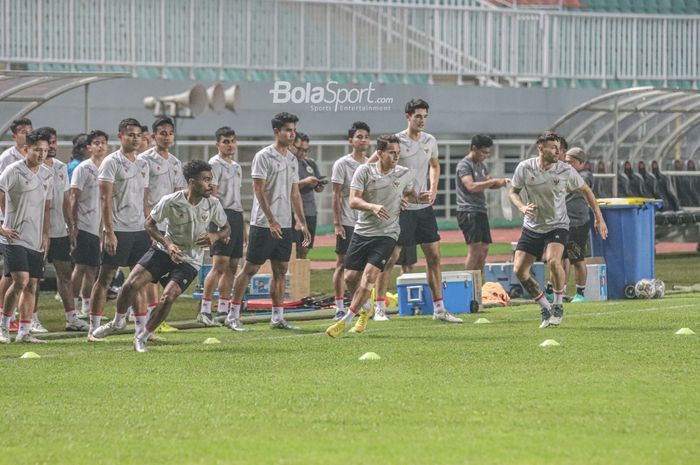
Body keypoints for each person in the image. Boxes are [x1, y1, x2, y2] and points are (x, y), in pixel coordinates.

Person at [102, 160, 229, 352]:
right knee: (129, 284)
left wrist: (215, 236)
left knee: (168, 297)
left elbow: (227, 229)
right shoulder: (171, 200)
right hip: (164, 252)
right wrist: (167, 244)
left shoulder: (213, 204)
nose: (211, 184)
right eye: (206, 180)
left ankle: (142, 337)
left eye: (211, 179)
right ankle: (118, 321)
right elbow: (149, 224)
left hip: (190, 260)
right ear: (192, 182)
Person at [326, 135, 429, 338]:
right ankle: (365, 306)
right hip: (363, 231)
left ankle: (346, 320)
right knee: (350, 277)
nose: (396, 156)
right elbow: (354, 200)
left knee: (370, 275)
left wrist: (415, 197)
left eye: (398, 153)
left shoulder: (403, 173)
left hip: (388, 233)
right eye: (391, 152)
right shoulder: (364, 171)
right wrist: (372, 206)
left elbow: (408, 192)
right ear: (380, 153)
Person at [371, 98, 462, 323]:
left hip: (423, 208)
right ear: (408, 117)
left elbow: (434, 165)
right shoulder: (396, 141)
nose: (422, 120)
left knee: (434, 255)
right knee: (391, 257)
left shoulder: (430, 140)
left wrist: (433, 188)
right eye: (418, 116)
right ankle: (379, 308)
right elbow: (372, 166)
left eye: (425, 116)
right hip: (400, 209)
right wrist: (390, 193)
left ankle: (439, 308)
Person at [509, 131, 608, 329]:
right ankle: (544, 306)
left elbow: (586, 191)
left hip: (558, 224)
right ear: (540, 148)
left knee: (554, 261)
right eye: (553, 147)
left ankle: (558, 305)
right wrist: (521, 207)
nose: (557, 151)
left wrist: (599, 217)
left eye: (559, 148)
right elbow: (513, 191)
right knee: (519, 271)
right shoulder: (525, 168)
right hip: (532, 226)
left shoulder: (565, 170)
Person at [224, 112, 310, 332]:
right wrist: (271, 220)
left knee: (281, 270)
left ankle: (277, 317)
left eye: (293, 130)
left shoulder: (292, 158)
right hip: (263, 224)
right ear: (276, 131)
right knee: (250, 269)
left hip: (285, 224)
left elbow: (294, 193)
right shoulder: (263, 156)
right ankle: (232, 314)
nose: (292, 134)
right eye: (287, 130)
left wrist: (301, 222)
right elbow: (258, 190)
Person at [89, 118, 150, 341]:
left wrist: (148, 226)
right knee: (105, 278)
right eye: (130, 134)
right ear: (120, 136)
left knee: (138, 280)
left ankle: (141, 330)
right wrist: (109, 231)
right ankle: (93, 328)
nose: (135, 138)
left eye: (138, 135)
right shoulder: (111, 162)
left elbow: (144, 198)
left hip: (139, 230)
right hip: (118, 229)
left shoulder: (143, 163)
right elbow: (104, 199)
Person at [0, 130, 53, 344]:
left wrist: (46, 235)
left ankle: (24, 332)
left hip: (36, 239)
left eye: (45, 150)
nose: (41, 154)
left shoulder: (47, 173)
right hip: (14, 237)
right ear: (25, 149)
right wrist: (2, 227)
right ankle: (4, 327)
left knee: (31, 285)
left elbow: (47, 208)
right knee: (20, 280)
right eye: (37, 150)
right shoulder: (12, 171)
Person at [137, 117, 186, 330]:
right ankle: (149, 315)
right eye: (162, 133)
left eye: (170, 133)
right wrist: (150, 224)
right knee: (148, 271)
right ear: (153, 136)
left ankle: (154, 316)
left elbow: (177, 195)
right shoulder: (144, 159)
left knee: (162, 270)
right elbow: (142, 193)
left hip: (168, 225)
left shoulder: (175, 162)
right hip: (149, 223)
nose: (167, 137)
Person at [39, 127, 88, 332]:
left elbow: (67, 199)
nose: (51, 146)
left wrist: (72, 226)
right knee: (33, 279)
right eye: (47, 143)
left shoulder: (61, 167)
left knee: (65, 274)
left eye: (54, 142)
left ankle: (72, 318)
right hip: (36, 232)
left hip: (60, 230)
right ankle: (30, 320)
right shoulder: (31, 167)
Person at [198, 127, 246, 327]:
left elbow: (238, 198)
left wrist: (243, 227)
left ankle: (224, 309)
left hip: (236, 215)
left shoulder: (236, 166)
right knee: (219, 265)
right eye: (226, 141)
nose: (230, 145)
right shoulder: (213, 164)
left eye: (233, 141)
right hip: (221, 215)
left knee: (233, 266)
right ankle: (205, 309)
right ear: (217, 144)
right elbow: (213, 196)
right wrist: (220, 224)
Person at [330, 121, 370, 320]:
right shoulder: (342, 164)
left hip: (366, 223)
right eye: (359, 137)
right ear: (351, 141)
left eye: (366, 137)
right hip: (347, 220)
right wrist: (337, 223)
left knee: (362, 267)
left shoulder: (371, 164)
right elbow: (336, 194)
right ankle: (339, 306)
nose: (363, 140)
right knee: (342, 264)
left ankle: (361, 304)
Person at [455, 134, 510, 274]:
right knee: (474, 249)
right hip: (468, 211)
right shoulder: (464, 165)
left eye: (488, 153)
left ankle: (477, 282)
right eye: (484, 152)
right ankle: (467, 282)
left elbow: (489, 182)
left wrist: (503, 182)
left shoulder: (481, 166)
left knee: (484, 248)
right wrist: (491, 182)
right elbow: (471, 186)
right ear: (474, 148)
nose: (486, 155)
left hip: (480, 210)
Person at [70, 130, 108, 320]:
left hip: (99, 227)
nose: (100, 146)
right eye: (96, 143)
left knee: (93, 268)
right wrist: (73, 224)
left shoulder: (109, 167)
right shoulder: (83, 168)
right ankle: (73, 306)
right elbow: (74, 197)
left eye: (103, 143)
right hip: (84, 224)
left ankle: (86, 305)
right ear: (89, 147)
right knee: (81, 266)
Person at [0, 118, 33, 334]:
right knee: (12, 274)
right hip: (8, 225)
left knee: (12, 274)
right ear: (14, 136)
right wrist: (4, 221)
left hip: (27, 227)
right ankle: (4, 313)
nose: (26, 135)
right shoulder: (7, 159)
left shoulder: (32, 155)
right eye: (23, 132)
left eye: (29, 131)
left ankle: (15, 318)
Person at [563, 147, 595, 302]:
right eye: (566, 161)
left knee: (577, 258)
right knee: (561, 258)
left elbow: (572, 187)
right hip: (562, 222)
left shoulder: (585, 175)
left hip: (577, 222)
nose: (567, 164)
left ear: (582, 163)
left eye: (571, 162)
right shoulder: (566, 173)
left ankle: (580, 293)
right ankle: (559, 290)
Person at [290, 132, 324, 259]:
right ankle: (289, 276)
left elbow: (318, 188)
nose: (303, 153)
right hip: (293, 210)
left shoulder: (310, 163)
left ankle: (300, 276)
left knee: (305, 248)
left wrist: (318, 185)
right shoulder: (288, 162)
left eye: (306, 150)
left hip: (310, 211)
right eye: (300, 149)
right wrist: (305, 182)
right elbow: (287, 187)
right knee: (292, 248)